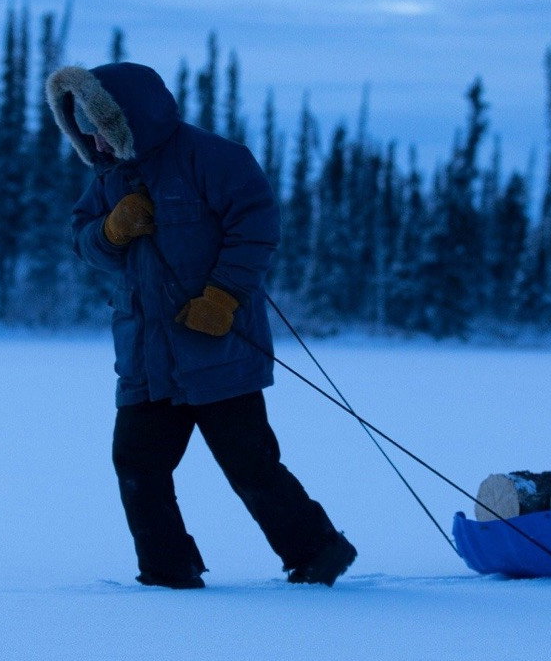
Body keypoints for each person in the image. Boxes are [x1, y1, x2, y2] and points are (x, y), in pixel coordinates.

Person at [45, 61, 356, 589]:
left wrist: (223, 296)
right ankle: (168, 572)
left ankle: (319, 551)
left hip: (218, 348)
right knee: (137, 463)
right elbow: (82, 241)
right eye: (85, 130)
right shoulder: (111, 178)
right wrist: (111, 231)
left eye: (98, 126)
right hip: (146, 358)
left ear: (125, 116)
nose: (93, 140)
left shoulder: (214, 158)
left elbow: (256, 226)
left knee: (250, 465)